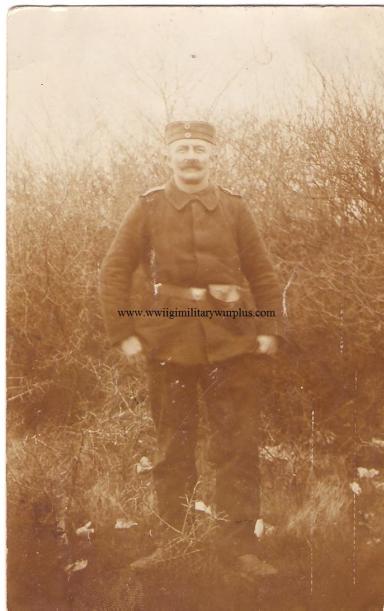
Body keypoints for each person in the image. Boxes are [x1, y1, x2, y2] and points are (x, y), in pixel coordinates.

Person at [99, 121, 283, 577]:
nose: (191, 157)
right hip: (170, 341)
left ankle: (238, 546)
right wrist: (121, 331)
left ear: (212, 155)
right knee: (172, 445)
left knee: (237, 445)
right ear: (169, 156)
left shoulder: (235, 209)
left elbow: (261, 270)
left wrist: (269, 326)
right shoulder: (148, 207)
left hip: (231, 340)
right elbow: (114, 269)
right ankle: (172, 541)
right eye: (182, 149)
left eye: (199, 149)